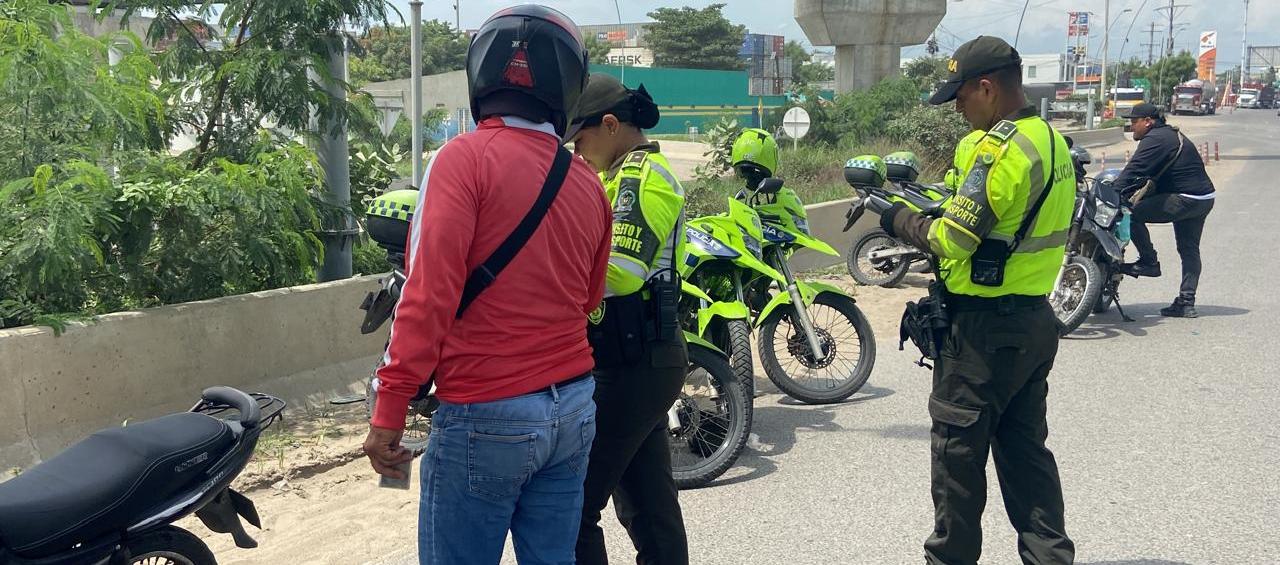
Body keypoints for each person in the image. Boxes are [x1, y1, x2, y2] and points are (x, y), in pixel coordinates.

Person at [361, 6, 613, 564]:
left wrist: (389, 410)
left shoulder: (460, 160)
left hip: (486, 411)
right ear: (567, 86)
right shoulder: (586, 182)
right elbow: (590, 299)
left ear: (481, 74)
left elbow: (426, 298)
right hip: (571, 407)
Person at [877, 36, 1076, 564]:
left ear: (986, 88)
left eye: (960, 97)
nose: (958, 109)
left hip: (984, 333)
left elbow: (950, 240)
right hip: (1034, 318)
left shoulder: (1001, 151)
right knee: (1026, 454)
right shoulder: (1050, 141)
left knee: (958, 459)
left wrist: (896, 218)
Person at [566, 73, 690, 565]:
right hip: (637, 357)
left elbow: (621, 273)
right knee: (649, 505)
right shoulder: (615, 176)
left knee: (571, 503)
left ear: (612, 125)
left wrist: (552, 281)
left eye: (582, 139)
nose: (577, 152)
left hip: (633, 361)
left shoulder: (643, 177)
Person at [1115, 102, 1216, 318]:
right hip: (1204, 198)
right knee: (1189, 249)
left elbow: (1134, 170)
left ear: (1148, 122)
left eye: (1134, 122)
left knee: (1130, 212)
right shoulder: (1168, 135)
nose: (1131, 127)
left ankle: (1149, 261)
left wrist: (1111, 191)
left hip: (1186, 198)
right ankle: (1187, 303)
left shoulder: (1156, 139)